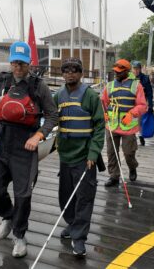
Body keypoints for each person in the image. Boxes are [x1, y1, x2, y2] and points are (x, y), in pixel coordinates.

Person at [0, 41, 58, 258]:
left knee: (23, 194)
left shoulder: (38, 86)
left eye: (22, 63)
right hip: (1, 143)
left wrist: (39, 135)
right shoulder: (2, 81)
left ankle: (20, 236)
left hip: (25, 145)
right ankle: (8, 216)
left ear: (29, 63)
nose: (18, 67)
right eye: (14, 62)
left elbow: (52, 116)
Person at [53, 58, 105, 257]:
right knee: (66, 195)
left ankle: (79, 238)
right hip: (65, 155)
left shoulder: (91, 96)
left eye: (74, 70)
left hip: (85, 157)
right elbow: (50, 118)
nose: (70, 73)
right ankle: (73, 225)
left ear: (81, 73)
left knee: (84, 197)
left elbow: (99, 126)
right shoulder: (58, 95)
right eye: (66, 70)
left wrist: (93, 152)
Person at [101, 59, 147, 186]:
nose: (116, 74)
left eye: (120, 72)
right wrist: (103, 114)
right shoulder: (109, 85)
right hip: (111, 125)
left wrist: (131, 113)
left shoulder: (136, 85)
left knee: (128, 153)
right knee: (111, 153)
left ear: (126, 71)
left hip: (128, 127)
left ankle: (133, 167)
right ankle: (114, 176)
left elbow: (143, 106)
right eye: (115, 71)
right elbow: (103, 102)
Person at [132, 61, 153, 146]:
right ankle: (131, 137)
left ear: (140, 69)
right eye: (134, 69)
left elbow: (149, 93)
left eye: (137, 69)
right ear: (131, 69)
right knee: (130, 120)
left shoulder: (145, 78)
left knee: (139, 121)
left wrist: (150, 105)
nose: (136, 71)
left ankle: (140, 135)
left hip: (141, 102)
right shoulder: (128, 78)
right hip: (130, 102)